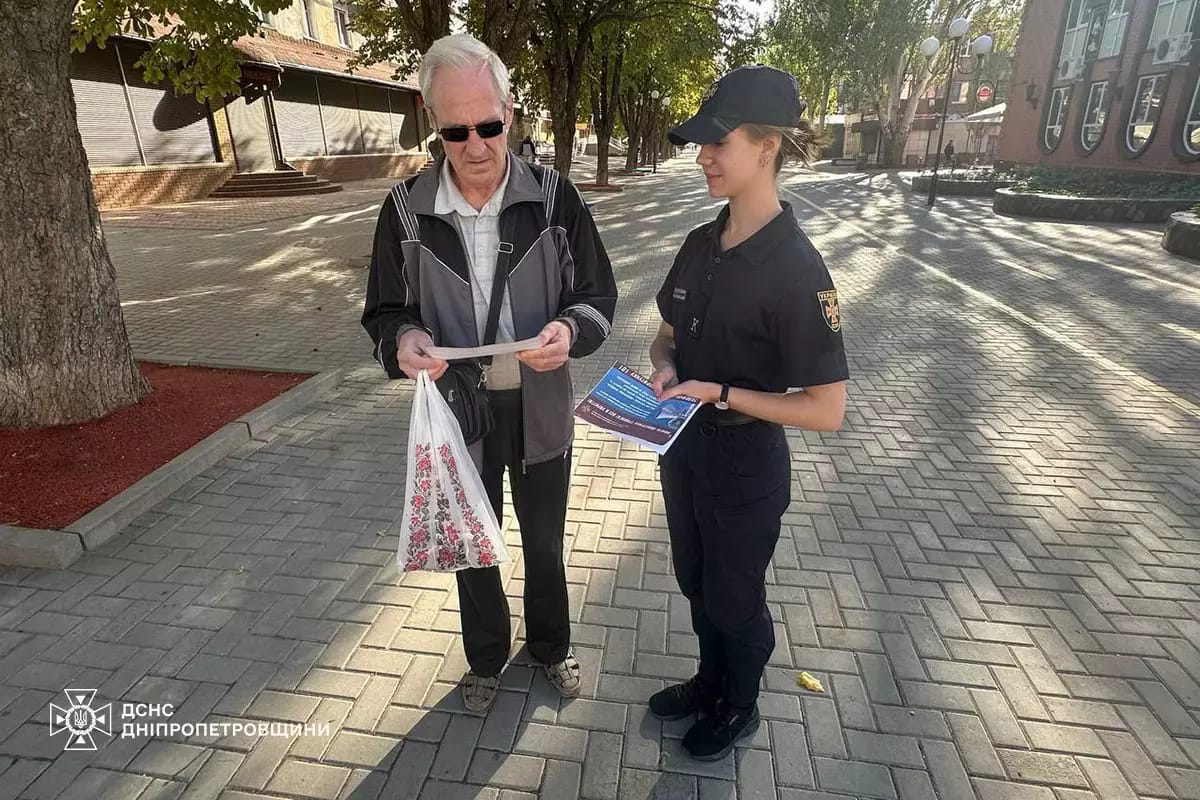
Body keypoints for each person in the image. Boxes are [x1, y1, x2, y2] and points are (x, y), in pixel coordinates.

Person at [361, 33, 618, 714]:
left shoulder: (555, 198)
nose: (476, 145)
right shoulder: (405, 211)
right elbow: (385, 313)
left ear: (510, 108)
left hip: (539, 407)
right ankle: (484, 659)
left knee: (544, 544)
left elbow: (597, 296)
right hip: (458, 413)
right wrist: (406, 339)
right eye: (455, 130)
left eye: (490, 125)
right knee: (473, 548)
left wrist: (569, 331)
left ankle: (552, 647)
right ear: (429, 117)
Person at [646, 65, 848, 761]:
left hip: (744, 462)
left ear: (767, 147)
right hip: (684, 447)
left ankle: (741, 702)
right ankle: (709, 680)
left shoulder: (798, 269)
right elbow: (665, 334)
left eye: (717, 143)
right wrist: (667, 369)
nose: (701, 156)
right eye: (699, 143)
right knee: (695, 579)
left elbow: (827, 410)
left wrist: (722, 394)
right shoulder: (701, 244)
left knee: (735, 598)